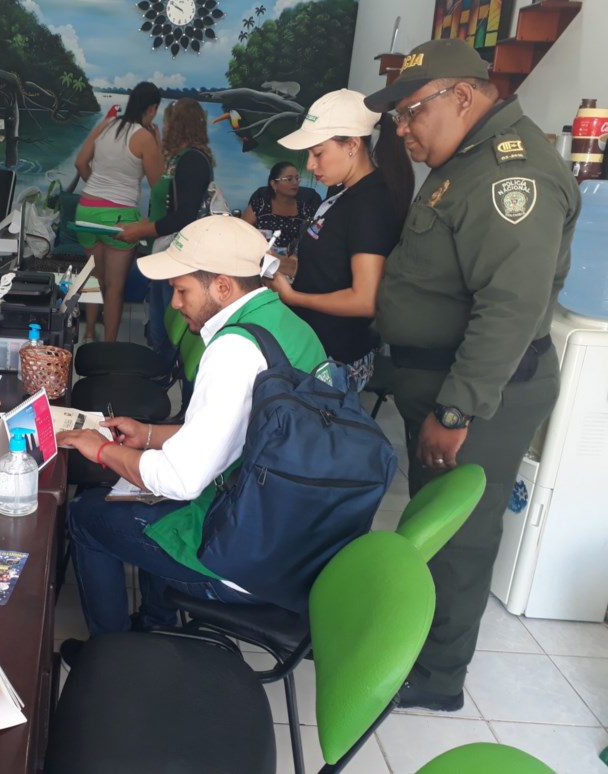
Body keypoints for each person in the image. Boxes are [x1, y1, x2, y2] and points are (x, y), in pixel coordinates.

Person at [363, 39, 579, 710]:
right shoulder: (467, 158)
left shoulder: (511, 178)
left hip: (479, 393)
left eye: (410, 112)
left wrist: (455, 411)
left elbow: (509, 308)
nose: (402, 129)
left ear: (462, 95)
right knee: (433, 524)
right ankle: (417, 643)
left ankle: (438, 677)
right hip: (442, 381)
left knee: (458, 534)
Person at [56, 217, 326, 661]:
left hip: (247, 563)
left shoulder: (234, 350)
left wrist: (101, 449)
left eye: (182, 290)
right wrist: (147, 435)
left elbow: (181, 479)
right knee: (151, 502)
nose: (175, 303)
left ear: (222, 287)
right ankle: (157, 624)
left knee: (88, 516)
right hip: (291, 535)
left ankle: (110, 655)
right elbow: (234, 434)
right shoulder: (287, 324)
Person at [269, 89, 414, 393]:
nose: (310, 165)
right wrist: (273, 262)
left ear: (351, 145)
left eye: (318, 153)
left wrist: (295, 298)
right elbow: (326, 268)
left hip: (334, 358)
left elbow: (365, 299)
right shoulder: (340, 194)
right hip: (311, 342)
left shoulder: (371, 204)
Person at [118, 98, 215, 360]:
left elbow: (183, 216)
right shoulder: (179, 159)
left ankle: (160, 378)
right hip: (163, 253)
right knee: (158, 323)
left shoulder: (192, 161)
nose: (165, 125)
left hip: (176, 256)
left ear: (179, 124)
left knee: (164, 330)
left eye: (168, 121)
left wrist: (142, 231)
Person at [74, 82, 165, 343]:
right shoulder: (144, 137)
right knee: (115, 287)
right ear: (152, 108)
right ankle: (109, 347)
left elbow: (80, 163)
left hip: (86, 211)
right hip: (119, 218)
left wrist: (97, 193)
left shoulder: (105, 125)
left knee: (94, 276)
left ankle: (89, 333)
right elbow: (158, 184)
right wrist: (157, 145)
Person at [240, 161, 321, 254]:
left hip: (295, 264)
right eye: (289, 179)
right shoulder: (259, 206)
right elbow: (240, 235)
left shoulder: (306, 211)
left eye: (297, 178)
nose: (295, 182)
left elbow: (314, 243)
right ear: (274, 184)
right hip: (260, 261)